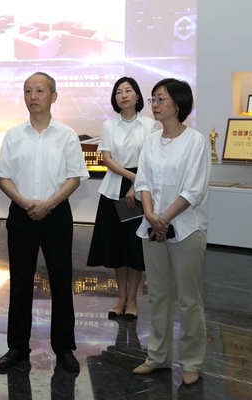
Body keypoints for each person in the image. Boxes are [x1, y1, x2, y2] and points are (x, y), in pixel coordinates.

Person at [0, 72, 89, 373]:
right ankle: (17, 347)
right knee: (20, 282)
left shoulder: (67, 135)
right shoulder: (13, 135)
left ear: (53, 96)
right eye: (27, 91)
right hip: (21, 214)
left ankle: (64, 348)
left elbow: (75, 178)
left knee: (61, 281)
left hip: (56, 214)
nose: (32, 96)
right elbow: (3, 178)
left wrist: (49, 204)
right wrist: (25, 203)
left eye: (39, 90)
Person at [131, 78, 210, 386]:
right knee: (158, 296)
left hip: (186, 229)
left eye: (160, 99)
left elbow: (194, 190)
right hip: (152, 228)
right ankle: (157, 356)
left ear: (178, 104)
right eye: (153, 99)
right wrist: (151, 216)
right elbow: (143, 182)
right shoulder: (151, 141)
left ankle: (191, 362)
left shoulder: (195, 141)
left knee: (189, 299)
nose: (154, 104)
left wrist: (163, 218)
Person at [86, 77, 157, 321]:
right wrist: (131, 178)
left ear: (137, 96)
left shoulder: (150, 125)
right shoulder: (109, 125)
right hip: (115, 187)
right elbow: (107, 159)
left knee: (134, 246)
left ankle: (133, 299)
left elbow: (150, 159)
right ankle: (121, 298)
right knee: (117, 246)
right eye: (118, 92)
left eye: (128, 91)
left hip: (141, 189)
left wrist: (136, 185)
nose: (123, 95)